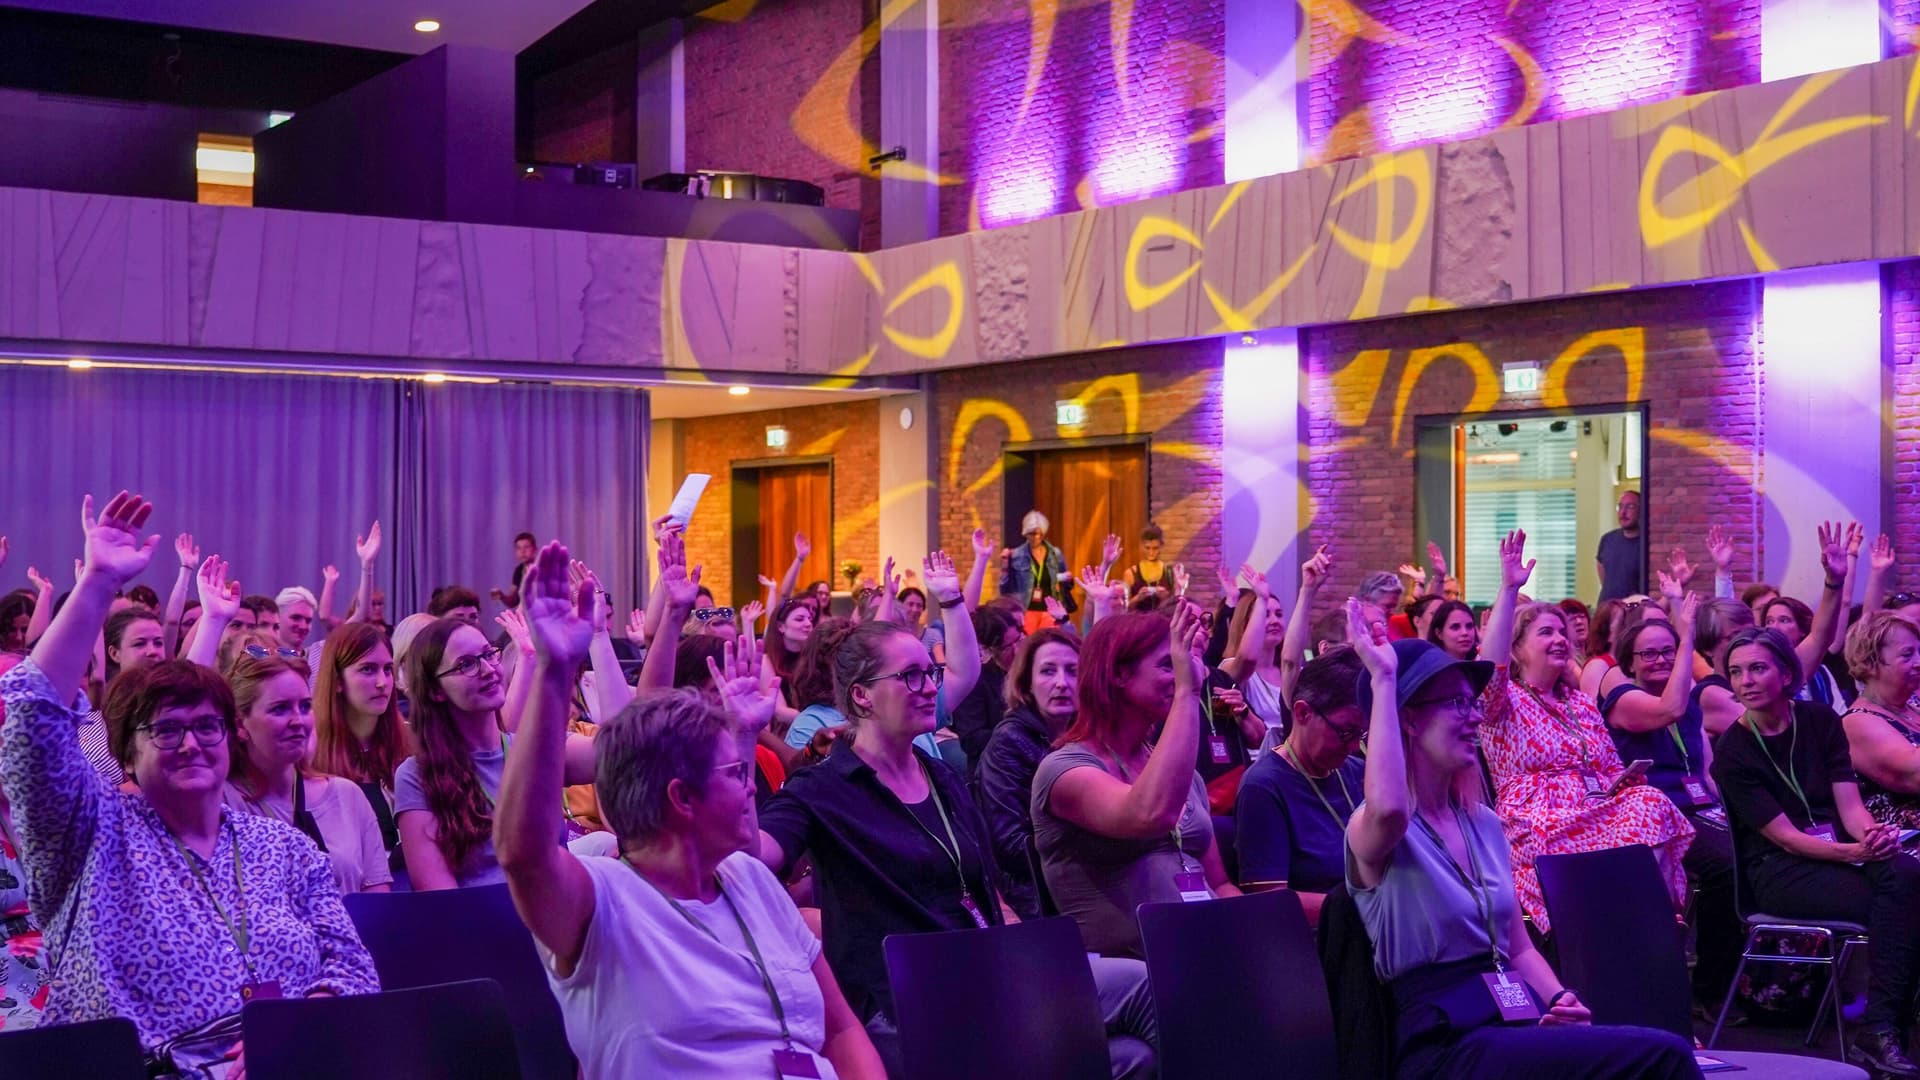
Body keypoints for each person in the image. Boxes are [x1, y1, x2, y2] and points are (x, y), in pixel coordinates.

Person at [0, 491, 377, 1058]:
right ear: (126, 753)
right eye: (166, 730)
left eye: (207, 726)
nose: (191, 743)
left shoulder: (283, 847)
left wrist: (297, 1032)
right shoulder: (87, 836)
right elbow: (33, 721)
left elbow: (352, 964)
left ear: (232, 736)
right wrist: (97, 582)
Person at [494, 540, 886, 1080]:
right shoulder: (603, 900)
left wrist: (742, 731)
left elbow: (839, 1030)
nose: (751, 789)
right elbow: (524, 853)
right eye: (735, 775)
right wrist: (554, 670)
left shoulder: (750, 879)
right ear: (681, 798)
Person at [1342, 598, 1697, 1079]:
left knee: (1650, 1049)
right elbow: (1389, 808)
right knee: (1664, 1057)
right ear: (1408, 718)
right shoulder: (1376, 828)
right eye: (1455, 704)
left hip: (1509, 1013)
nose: (1473, 717)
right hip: (1443, 1040)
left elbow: (1519, 948)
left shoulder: (1484, 823)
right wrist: (1384, 681)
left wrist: (1560, 998)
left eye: (1470, 703)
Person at [1712, 625, 1920, 1077]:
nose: (1745, 681)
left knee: (1907, 874)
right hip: (1779, 871)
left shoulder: (1821, 720)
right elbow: (1787, 838)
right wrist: (1854, 853)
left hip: (1839, 851)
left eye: (1757, 668)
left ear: (1786, 674)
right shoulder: (1732, 750)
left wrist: (1872, 837)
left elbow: (1850, 805)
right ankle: (1883, 1028)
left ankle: (1884, 1029)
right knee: (1899, 898)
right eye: (1736, 672)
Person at [1478, 529, 1694, 934]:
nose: (1560, 639)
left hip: (1595, 807)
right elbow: (1489, 669)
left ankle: (1659, 926)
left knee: (1649, 801)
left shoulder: (1579, 702)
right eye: (1546, 632)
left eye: (1562, 632)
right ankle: (1638, 926)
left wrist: (1621, 780)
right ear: (1517, 647)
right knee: (1567, 839)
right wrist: (1509, 590)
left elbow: (1610, 766)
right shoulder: (1503, 700)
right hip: (1538, 819)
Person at [1031, 607, 1241, 960]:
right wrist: (1187, 693)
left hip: (1202, 948)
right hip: (1124, 966)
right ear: (1118, 674)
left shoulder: (1183, 776)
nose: (1183, 673)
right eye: (1167, 665)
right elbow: (1149, 814)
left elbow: (1219, 884)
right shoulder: (1063, 770)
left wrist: (1253, 933)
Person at [1595, 596, 1738, 1004]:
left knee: (1755, 852)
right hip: (1656, 820)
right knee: (1728, 866)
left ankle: (1750, 984)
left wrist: (1732, 813)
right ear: (1630, 663)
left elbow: (1705, 771)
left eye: (1668, 651)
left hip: (1699, 810)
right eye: (1649, 654)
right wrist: (1687, 633)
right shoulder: (1624, 701)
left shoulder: (1690, 705)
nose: (1660, 660)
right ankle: (1710, 991)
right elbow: (1667, 709)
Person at [395, 616, 595, 889]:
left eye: (488, 654)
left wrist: (595, 640)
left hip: (556, 910)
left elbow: (627, 750)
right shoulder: (415, 776)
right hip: (478, 915)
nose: (488, 669)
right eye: (466, 664)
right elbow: (440, 898)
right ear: (435, 691)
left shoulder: (535, 749)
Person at [223, 650, 391, 896]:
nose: (298, 721)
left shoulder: (347, 796)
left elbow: (378, 903)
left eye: (305, 706)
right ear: (240, 724)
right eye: (280, 709)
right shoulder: (223, 804)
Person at [1234, 648, 1366, 923]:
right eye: (1345, 732)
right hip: (1320, 936)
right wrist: (1369, 908)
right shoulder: (1264, 787)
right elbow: (1269, 900)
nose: (1354, 746)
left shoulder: (1357, 772)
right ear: (1303, 712)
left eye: (1360, 734)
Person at [975, 627, 1080, 919]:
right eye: (1048, 671)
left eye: (1073, 671)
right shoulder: (1009, 741)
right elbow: (1010, 845)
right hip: (1034, 896)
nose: (1062, 683)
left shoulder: (1087, 737)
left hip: (1079, 880)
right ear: (1027, 683)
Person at [308, 621, 408, 871]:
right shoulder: (310, 751)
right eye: (368, 670)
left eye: (388, 669)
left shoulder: (411, 741)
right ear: (337, 681)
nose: (382, 682)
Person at [1839, 612, 1920, 831]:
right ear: (1870, 663)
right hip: (1905, 840)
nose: (1919, 662)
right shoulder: (1857, 721)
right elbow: (1915, 775)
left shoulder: (1913, 705)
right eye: (1907, 654)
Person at [950, 604, 1022, 765]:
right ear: (989, 650)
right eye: (1007, 648)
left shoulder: (1033, 672)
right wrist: (1018, 736)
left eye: (1019, 640)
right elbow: (972, 740)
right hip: (994, 768)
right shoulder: (976, 682)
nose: (1017, 651)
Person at [1000, 511, 1074, 634]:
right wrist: (1005, 566)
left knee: (1049, 640)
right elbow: (1005, 589)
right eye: (1032, 534)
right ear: (1025, 533)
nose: (1036, 537)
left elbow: (1066, 585)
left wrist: (1068, 579)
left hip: (1051, 610)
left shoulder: (1055, 554)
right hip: (1027, 609)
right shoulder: (1016, 555)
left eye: (1040, 533)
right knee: (1028, 641)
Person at [1596, 490, 1644, 603]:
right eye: (1620, 507)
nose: (1623, 512)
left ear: (1641, 510)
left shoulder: (1646, 544)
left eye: (1630, 507)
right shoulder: (1607, 539)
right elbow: (1603, 573)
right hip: (1606, 607)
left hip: (1634, 609)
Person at [1123, 524, 1175, 601]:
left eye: (1155, 548)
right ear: (1141, 546)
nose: (1151, 552)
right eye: (1147, 548)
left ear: (1161, 546)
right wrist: (1138, 598)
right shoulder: (1130, 573)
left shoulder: (1170, 572)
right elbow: (1124, 606)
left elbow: (1176, 603)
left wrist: (1166, 597)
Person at [274, 586, 318, 650]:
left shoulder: (315, 655)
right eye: (296, 618)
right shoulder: (261, 655)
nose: (303, 626)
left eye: (308, 621)